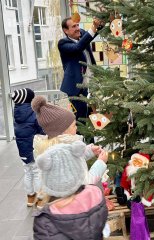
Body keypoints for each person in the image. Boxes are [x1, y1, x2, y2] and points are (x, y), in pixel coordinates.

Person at [31, 95, 109, 239]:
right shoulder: (66, 151)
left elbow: (75, 157)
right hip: (74, 210)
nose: (77, 127)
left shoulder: (55, 149)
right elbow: (84, 182)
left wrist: (90, 151)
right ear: (64, 131)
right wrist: (100, 163)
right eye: (74, 125)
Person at [58, 16, 103, 122]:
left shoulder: (81, 34)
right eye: (74, 26)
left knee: (90, 116)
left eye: (77, 25)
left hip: (88, 85)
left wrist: (101, 23)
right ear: (66, 31)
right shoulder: (63, 44)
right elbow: (78, 47)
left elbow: (91, 35)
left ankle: (89, 139)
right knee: (80, 119)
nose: (78, 28)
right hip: (75, 88)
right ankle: (81, 138)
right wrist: (93, 28)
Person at [11, 88, 45, 207]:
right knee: (37, 172)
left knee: (27, 171)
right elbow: (41, 129)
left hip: (23, 149)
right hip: (33, 148)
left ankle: (30, 197)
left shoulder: (17, 112)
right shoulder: (33, 113)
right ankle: (40, 199)